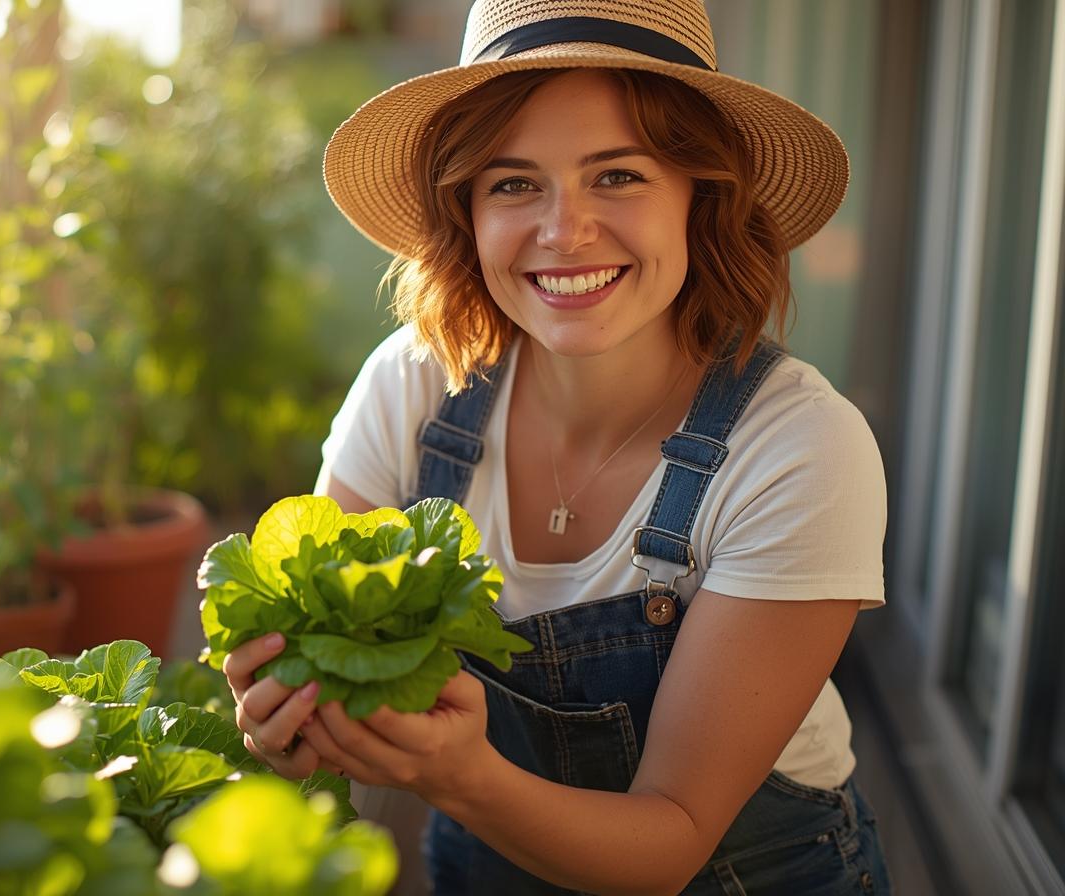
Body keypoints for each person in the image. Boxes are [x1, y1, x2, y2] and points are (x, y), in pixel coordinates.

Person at [220, 1, 893, 893]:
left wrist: (460, 775)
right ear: (465, 210)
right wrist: (302, 727)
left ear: (703, 196)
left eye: (617, 176)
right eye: (513, 183)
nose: (563, 231)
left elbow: (671, 839)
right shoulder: (415, 387)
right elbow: (330, 688)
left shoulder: (802, 451)